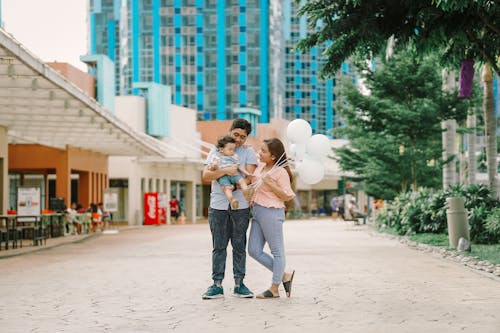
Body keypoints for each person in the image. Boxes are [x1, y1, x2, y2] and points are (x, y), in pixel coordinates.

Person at [201, 118, 258, 299]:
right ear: (230, 131)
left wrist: (234, 185)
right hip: (217, 205)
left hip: (240, 206)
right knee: (219, 246)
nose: (239, 139)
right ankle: (216, 284)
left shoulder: (248, 153)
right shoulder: (216, 150)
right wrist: (226, 172)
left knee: (239, 245)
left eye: (243, 136)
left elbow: (249, 177)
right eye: (236, 135)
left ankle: (239, 284)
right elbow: (206, 175)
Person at [248, 138, 296, 298]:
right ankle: (283, 276)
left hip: (272, 212)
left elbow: (287, 195)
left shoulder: (280, 172)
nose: (259, 153)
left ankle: (274, 288)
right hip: (257, 211)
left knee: (277, 251)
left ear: (273, 156)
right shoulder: (260, 166)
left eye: (263, 151)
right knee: (254, 250)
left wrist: (270, 184)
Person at [208, 135, 253, 209]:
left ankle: (246, 192)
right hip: (223, 177)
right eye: (230, 149)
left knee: (242, 181)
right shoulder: (217, 156)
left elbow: (239, 166)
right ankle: (232, 200)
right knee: (227, 188)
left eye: (233, 149)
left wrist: (247, 173)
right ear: (222, 149)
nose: (232, 151)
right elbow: (211, 168)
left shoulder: (234, 156)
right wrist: (214, 166)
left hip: (234, 174)